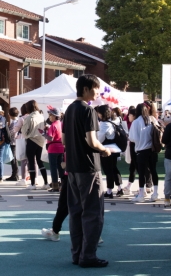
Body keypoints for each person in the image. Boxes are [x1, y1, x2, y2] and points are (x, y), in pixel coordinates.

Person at [63, 74, 110, 268]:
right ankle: (88, 255)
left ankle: (77, 254)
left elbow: (65, 140)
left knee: (76, 212)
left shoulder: (69, 110)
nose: (97, 91)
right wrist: (105, 149)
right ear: (86, 89)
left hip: (73, 167)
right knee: (93, 213)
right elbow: (92, 140)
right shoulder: (88, 110)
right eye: (95, 88)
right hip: (89, 167)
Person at [128, 103, 156, 202]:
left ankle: (141, 194)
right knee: (152, 170)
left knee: (141, 172)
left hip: (140, 150)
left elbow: (132, 138)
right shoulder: (151, 119)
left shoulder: (136, 122)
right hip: (151, 149)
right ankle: (155, 192)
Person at [96, 105, 123, 198]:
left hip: (106, 149)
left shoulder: (104, 124)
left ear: (102, 114)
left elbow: (99, 139)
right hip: (115, 148)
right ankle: (119, 188)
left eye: (98, 113)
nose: (98, 114)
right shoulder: (114, 121)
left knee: (108, 170)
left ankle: (109, 190)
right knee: (114, 168)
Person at [21, 100, 49, 190]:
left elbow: (24, 131)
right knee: (40, 161)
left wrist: (27, 134)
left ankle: (32, 184)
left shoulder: (29, 118)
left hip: (31, 140)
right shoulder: (41, 117)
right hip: (40, 141)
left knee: (31, 161)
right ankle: (46, 182)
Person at [45, 107, 64, 192]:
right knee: (61, 167)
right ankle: (63, 184)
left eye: (50, 115)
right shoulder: (61, 123)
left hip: (53, 148)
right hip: (61, 148)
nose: (49, 117)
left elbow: (50, 138)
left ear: (55, 116)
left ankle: (55, 186)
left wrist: (43, 133)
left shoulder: (53, 125)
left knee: (53, 168)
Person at [13, 104, 29, 186]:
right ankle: (35, 178)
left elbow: (16, 128)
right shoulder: (32, 117)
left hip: (23, 138)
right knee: (33, 160)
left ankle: (23, 179)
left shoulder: (22, 118)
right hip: (33, 139)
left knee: (24, 159)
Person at [5, 107, 20, 182]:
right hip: (17, 141)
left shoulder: (13, 123)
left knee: (13, 159)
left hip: (13, 142)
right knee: (14, 158)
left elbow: (10, 133)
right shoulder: (18, 121)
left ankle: (15, 174)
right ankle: (15, 174)